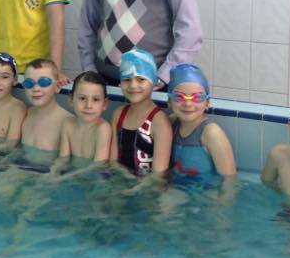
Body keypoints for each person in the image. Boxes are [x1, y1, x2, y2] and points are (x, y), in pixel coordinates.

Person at [167, 64, 236, 185]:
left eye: (197, 97)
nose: (188, 104)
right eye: (179, 97)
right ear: (169, 102)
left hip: (207, 191)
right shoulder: (170, 124)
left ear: (207, 103)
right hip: (179, 188)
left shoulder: (211, 133)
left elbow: (229, 180)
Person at [109, 48, 172, 177]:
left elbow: (158, 175)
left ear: (153, 82)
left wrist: (135, 187)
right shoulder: (118, 114)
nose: (133, 85)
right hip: (121, 181)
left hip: (148, 185)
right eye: (127, 79)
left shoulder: (160, 122)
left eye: (141, 79)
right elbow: (112, 162)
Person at [57, 72, 113, 163]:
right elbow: (63, 159)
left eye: (96, 99)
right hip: (74, 171)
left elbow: (99, 165)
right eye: (82, 98)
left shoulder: (103, 128)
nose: (88, 105)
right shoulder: (67, 124)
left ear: (105, 104)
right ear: (71, 100)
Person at [19, 58, 72, 153]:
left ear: (57, 86)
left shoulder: (67, 123)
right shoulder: (27, 114)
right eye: (29, 83)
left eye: (43, 82)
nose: (36, 89)